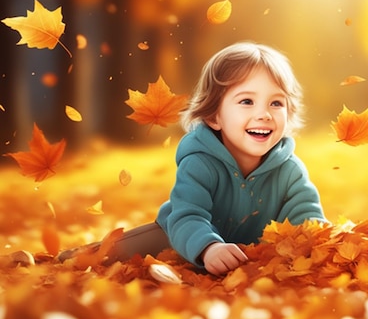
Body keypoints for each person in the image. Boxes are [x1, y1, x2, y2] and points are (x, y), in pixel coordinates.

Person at [60, 41, 326, 275]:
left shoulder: (289, 170)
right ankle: (74, 256)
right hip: (178, 233)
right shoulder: (200, 162)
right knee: (115, 253)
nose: (264, 114)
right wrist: (209, 248)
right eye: (247, 101)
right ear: (214, 116)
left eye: (276, 103)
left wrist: (322, 242)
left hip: (243, 249)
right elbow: (188, 215)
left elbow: (306, 215)